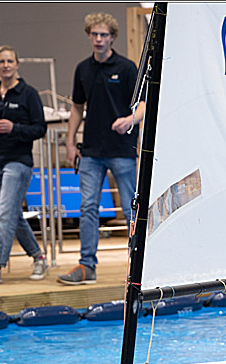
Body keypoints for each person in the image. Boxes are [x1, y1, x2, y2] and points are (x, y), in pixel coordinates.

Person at [58, 12, 145, 285]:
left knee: (131, 209)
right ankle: (87, 267)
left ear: (112, 37)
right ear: (89, 36)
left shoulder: (128, 68)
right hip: (91, 152)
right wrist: (70, 142)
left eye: (103, 35)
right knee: (88, 208)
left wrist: (129, 120)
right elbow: (76, 107)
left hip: (122, 149)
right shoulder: (82, 69)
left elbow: (144, 104)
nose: (98, 39)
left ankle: (140, 267)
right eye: (94, 34)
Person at [0, 46, 48, 286]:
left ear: (17, 65)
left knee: (5, 213)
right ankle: (38, 257)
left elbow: (40, 128)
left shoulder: (28, 94)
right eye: (1, 62)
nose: (5, 65)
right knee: (13, 215)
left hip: (19, 162)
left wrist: (14, 128)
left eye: (10, 61)